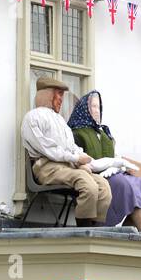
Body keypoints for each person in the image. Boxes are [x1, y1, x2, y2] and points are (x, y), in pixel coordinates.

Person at [21, 75, 111, 226]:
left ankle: (96, 227)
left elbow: (70, 146)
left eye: (62, 95)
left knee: (103, 185)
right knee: (86, 183)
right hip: (46, 167)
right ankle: (84, 229)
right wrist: (76, 159)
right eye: (59, 94)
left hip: (67, 167)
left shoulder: (61, 121)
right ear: (47, 94)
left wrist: (83, 158)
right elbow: (48, 149)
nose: (61, 99)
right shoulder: (32, 117)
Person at [67, 89, 141, 231]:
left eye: (99, 107)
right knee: (124, 185)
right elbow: (79, 160)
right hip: (97, 175)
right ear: (84, 109)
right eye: (93, 107)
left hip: (115, 172)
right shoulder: (77, 134)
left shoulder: (104, 132)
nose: (97, 110)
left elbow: (114, 156)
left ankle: (130, 229)